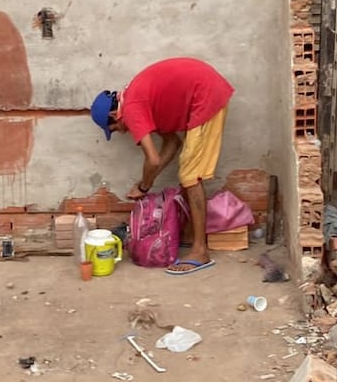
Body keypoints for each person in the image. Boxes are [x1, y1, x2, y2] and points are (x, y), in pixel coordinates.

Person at [90, 57, 234, 275]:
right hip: (205, 89)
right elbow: (172, 142)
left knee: (190, 175)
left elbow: (154, 159)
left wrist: (144, 186)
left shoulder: (131, 110)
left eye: (116, 128)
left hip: (206, 95)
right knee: (187, 171)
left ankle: (200, 251)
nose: (122, 131)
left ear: (114, 115)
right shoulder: (137, 99)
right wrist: (146, 181)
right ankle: (190, 234)